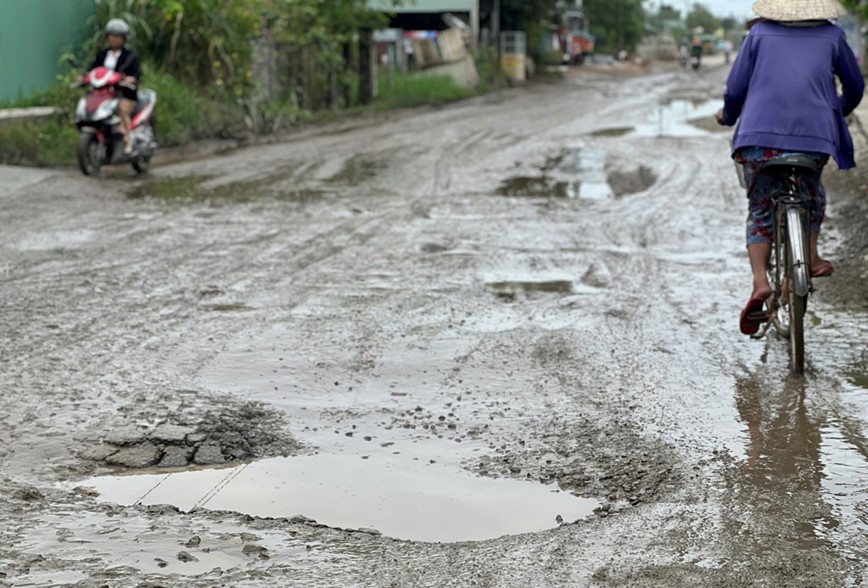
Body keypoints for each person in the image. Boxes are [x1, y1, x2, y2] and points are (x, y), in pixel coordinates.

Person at [716, 0, 864, 336]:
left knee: (760, 209)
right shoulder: (833, 36)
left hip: (759, 139)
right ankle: (810, 256)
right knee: (813, 194)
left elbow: (735, 89)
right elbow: (855, 87)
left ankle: (759, 283)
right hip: (814, 140)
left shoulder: (757, 35)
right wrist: (835, 109)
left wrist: (727, 115)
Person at [89, 19, 141, 154]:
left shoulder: (131, 56)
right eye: (111, 36)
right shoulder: (102, 55)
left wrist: (131, 79)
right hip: (104, 95)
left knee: (121, 108)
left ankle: (128, 139)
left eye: (117, 37)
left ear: (123, 39)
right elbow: (92, 70)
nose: (114, 39)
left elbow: (136, 74)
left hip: (124, 94)